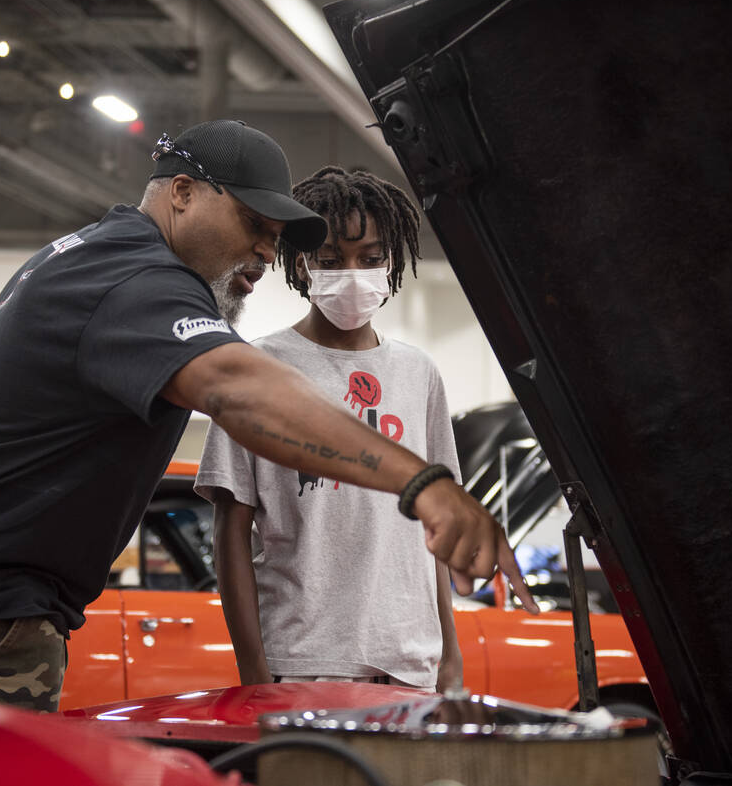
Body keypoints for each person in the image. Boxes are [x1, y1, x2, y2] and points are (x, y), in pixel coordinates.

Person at [0, 120, 534, 712]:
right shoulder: (138, 280)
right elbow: (235, 385)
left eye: (274, 235)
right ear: (183, 193)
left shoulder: (94, 256)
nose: (265, 251)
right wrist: (422, 483)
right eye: (254, 225)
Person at [196, 166, 509, 692]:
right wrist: (254, 670)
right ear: (302, 264)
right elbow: (231, 530)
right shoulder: (255, 367)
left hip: (410, 661)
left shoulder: (418, 373)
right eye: (330, 260)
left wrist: (448, 655)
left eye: (370, 258)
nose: (352, 273)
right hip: (303, 658)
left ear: (392, 263)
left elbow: (431, 529)